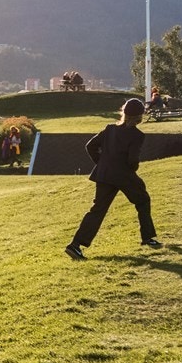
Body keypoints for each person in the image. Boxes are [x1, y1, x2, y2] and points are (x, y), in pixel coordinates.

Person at [66, 98, 160, 260]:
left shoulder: (110, 129)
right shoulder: (137, 135)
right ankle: (147, 238)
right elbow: (132, 160)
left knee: (97, 210)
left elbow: (90, 146)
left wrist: (102, 163)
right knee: (143, 200)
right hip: (124, 175)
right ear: (139, 116)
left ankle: (75, 245)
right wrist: (132, 170)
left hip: (104, 174)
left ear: (124, 112)